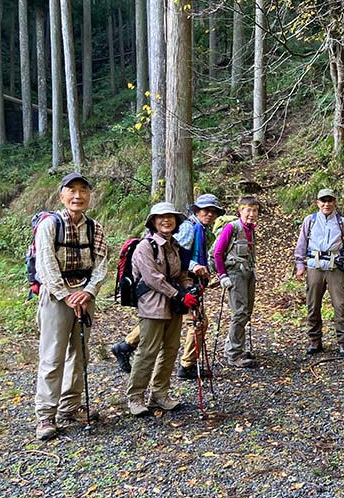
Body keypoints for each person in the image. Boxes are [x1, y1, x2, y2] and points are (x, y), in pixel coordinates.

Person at [111, 194, 225, 379]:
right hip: (175, 287)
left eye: (214, 211)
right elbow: (175, 257)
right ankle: (186, 366)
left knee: (163, 322)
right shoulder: (189, 228)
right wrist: (193, 269)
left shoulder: (202, 229)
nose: (210, 214)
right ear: (196, 210)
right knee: (198, 323)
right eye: (206, 210)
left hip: (180, 285)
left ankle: (124, 346)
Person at [34, 172, 108, 440]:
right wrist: (66, 295)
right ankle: (45, 415)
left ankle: (70, 406)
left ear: (89, 195)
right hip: (56, 296)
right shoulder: (50, 225)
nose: (78, 196)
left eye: (83, 191)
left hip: (84, 295)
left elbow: (101, 264)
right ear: (62, 195)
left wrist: (87, 292)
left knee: (80, 354)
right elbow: (45, 264)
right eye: (72, 190)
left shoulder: (94, 227)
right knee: (52, 356)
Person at [126, 202, 198, 417]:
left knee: (170, 349)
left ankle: (160, 394)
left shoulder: (174, 246)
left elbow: (181, 274)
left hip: (174, 306)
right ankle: (135, 397)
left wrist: (189, 289)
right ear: (153, 221)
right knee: (148, 351)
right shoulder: (145, 246)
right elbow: (152, 278)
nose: (166, 220)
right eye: (161, 217)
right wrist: (180, 294)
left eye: (170, 217)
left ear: (176, 222)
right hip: (152, 306)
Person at [294, 188, 344, 356]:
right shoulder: (310, 221)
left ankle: (343, 342)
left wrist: (340, 257)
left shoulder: (342, 222)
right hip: (314, 267)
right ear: (318, 203)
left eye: (330, 201)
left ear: (334, 202)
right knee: (313, 304)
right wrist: (300, 265)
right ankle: (315, 340)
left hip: (335, 268)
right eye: (323, 201)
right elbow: (301, 244)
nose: (326, 204)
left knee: (340, 305)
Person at [213, 196, 260, 369]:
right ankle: (233, 354)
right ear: (240, 210)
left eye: (255, 210)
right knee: (239, 312)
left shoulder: (251, 229)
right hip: (234, 274)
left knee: (246, 312)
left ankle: (237, 348)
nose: (252, 214)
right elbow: (218, 253)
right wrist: (222, 275)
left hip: (248, 272)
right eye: (248, 210)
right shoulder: (231, 228)